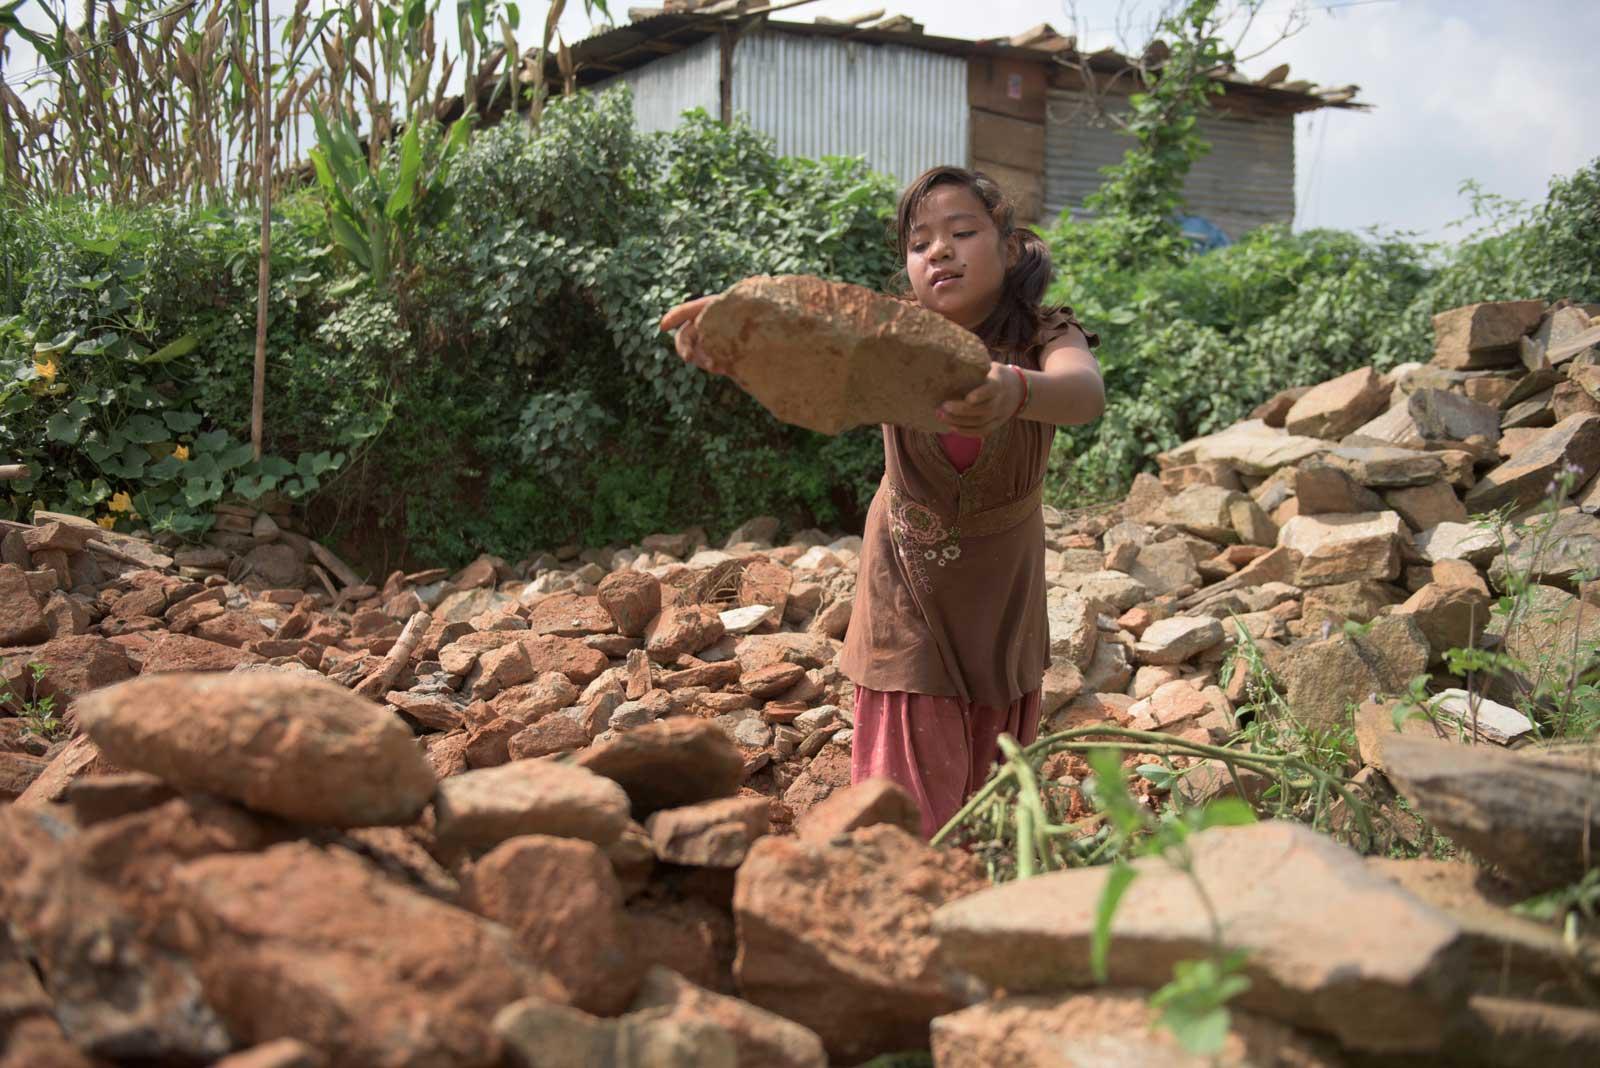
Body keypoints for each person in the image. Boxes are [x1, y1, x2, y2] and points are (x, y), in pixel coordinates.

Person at [660, 165, 1104, 838]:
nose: (940, 251)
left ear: (1009, 249)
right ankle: (899, 908)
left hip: (1002, 593)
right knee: (907, 812)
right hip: (909, 583)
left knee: (992, 804)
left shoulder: (1044, 337)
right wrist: (730, 328)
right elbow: (802, 337)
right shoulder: (891, 339)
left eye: (962, 231)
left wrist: (1016, 389)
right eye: (920, 242)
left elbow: (1084, 395)